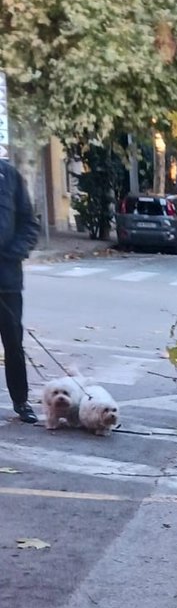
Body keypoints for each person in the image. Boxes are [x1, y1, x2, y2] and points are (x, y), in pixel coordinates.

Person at [0, 159, 41, 423]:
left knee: (14, 342)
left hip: (8, 279)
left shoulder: (10, 176)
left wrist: (13, 253)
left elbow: (29, 224)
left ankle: (21, 401)